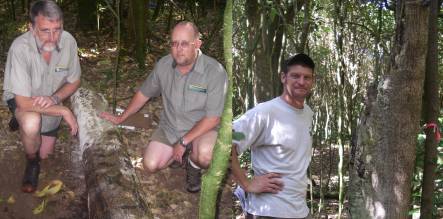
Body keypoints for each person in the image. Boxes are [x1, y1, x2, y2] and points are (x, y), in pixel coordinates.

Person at [100, 21, 228, 193]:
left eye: (184, 44)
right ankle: (178, 155)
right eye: (174, 43)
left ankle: (193, 163)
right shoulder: (164, 65)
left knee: (205, 155)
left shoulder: (215, 71)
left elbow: (213, 118)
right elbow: (143, 94)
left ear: (197, 44)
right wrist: (121, 117)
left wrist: (184, 142)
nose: (178, 49)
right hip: (171, 128)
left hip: (202, 130)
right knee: (151, 165)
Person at [2, 0, 81, 193]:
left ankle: (19, 123)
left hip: (49, 97)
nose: (53, 38)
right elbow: (22, 101)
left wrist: (55, 99)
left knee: (46, 153)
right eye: (45, 30)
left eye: (57, 29)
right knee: (30, 123)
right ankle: (31, 163)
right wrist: (62, 109)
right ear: (31, 27)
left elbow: (75, 80)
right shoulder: (20, 48)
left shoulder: (68, 41)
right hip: (23, 97)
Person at [231, 54, 315, 219]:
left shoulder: (308, 113)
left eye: (307, 77)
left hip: (300, 211)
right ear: (283, 77)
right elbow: (225, 142)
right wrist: (247, 183)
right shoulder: (265, 113)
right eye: (295, 76)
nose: (301, 81)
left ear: (313, 81)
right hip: (268, 211)